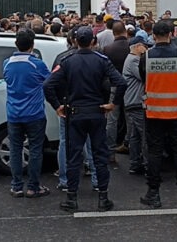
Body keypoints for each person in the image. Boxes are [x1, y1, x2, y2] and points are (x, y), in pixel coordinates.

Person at [43, 26, 127, 212]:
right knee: (99, 155)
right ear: (92, 42)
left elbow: (48, 84)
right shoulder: (101, 61)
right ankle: (103, 197)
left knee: (73, 157)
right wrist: (113, 104)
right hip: (97, 113)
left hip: (75, 114)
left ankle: (72, 198)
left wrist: (57, 106)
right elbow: (121, 82)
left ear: (75, 41)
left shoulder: (67, 61)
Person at [138, 21, 177, 208]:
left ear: (153, 36)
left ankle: (153, 194)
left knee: (154, 153)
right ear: (172, 34)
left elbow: (143, 78)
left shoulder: (146, 56)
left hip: (153, 113)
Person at [3, 29, 52, 198]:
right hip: (34, 113)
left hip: (13, 113)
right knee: (35, 150)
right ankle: (33, 186)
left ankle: (16, 186)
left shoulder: (7, 63)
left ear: (16, 44)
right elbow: (49, 81)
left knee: (15, 150)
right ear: (32, 45)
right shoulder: (36, 64)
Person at [102, 21, 131, 156]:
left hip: (114, 86)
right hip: (131, 86)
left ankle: (110, 150)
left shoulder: (108, 49)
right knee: (130, 117)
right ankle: (129, 144)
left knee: (112, 119)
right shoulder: (131, 47)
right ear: (125, 31)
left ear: (113, 34)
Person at [123, 36, 150, 175]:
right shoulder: (134, 60)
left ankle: (135, 163)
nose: (146, 49)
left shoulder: (129, 59)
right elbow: (144, 75)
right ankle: (147, 165)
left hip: (130, 101)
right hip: (136, 102)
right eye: (145, 46)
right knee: (144, 134)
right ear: (138, 46)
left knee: (134, 135)